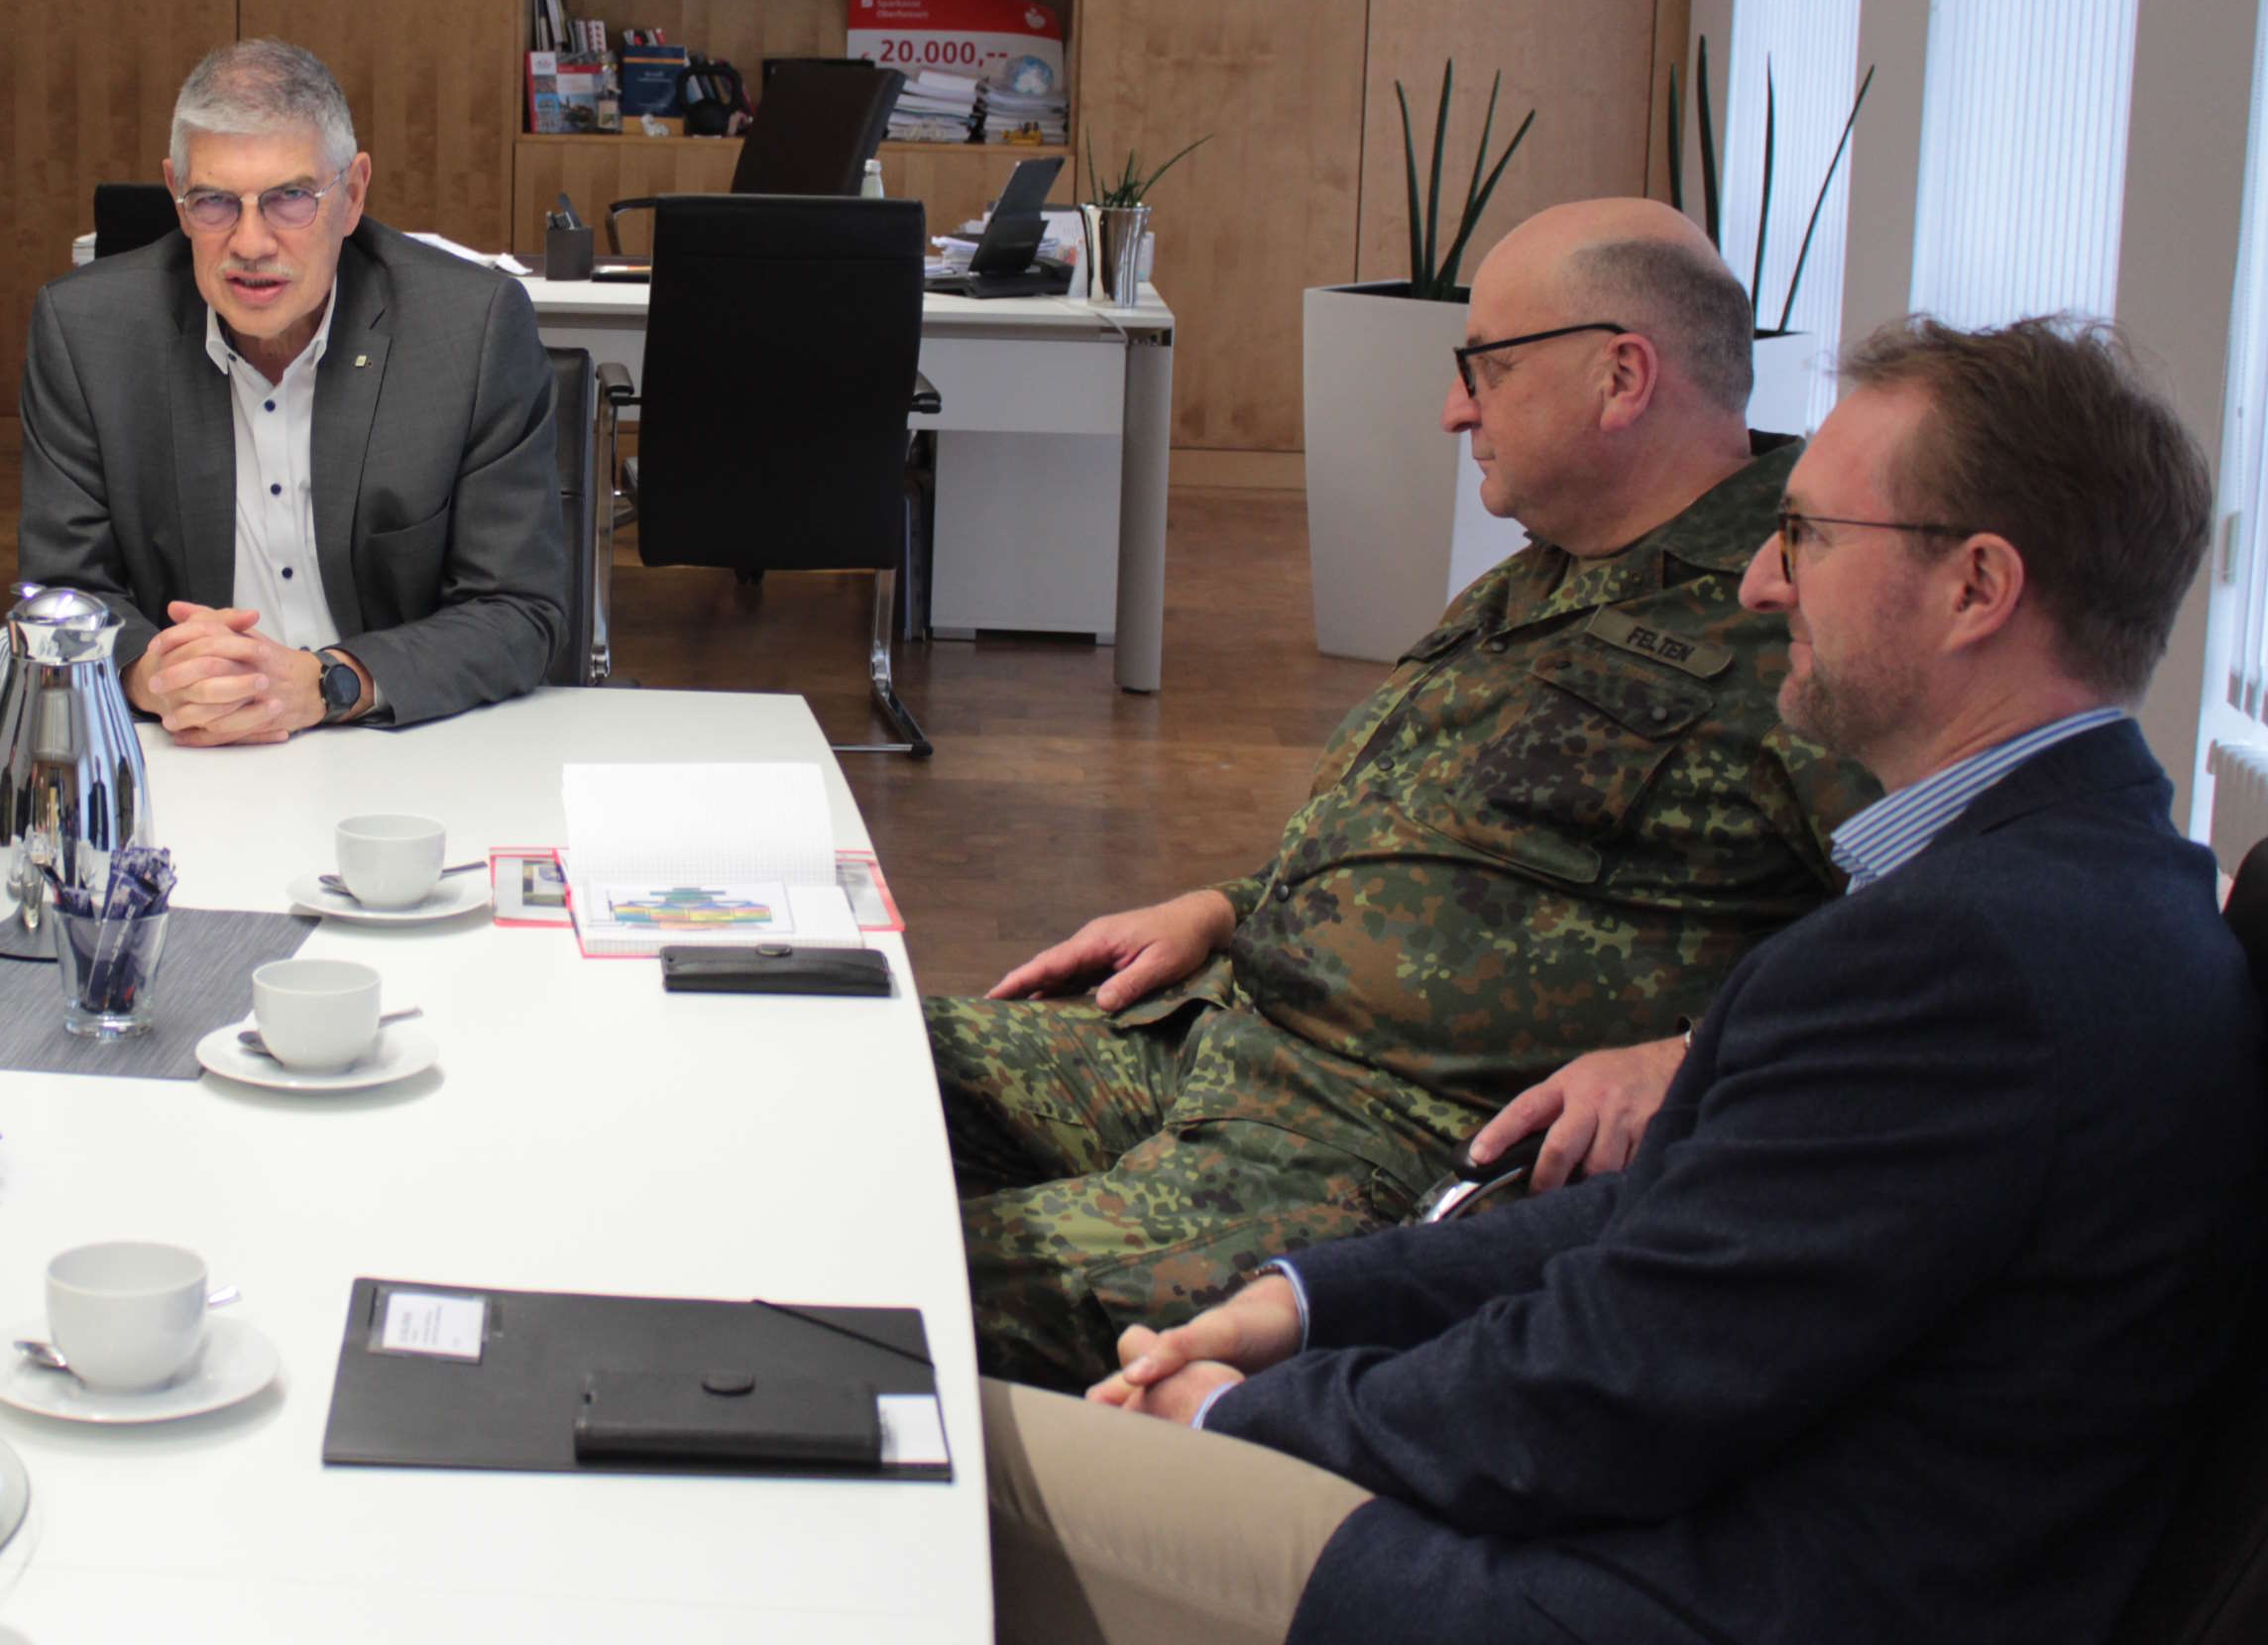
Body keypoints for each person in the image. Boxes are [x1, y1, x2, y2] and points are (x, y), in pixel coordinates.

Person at [984, 313, 2263, 1645]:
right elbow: (1662, 1224)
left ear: (1976, 587)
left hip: (1642, 1598)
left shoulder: (1963, 963)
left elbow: (1602, 1395)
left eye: (1808, 536)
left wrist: (1250, 1417)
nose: (1760, 584)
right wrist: (1306, 1304)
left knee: (933, 1442)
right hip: (1660, 1537)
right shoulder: (2098, 884)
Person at [932, 198, 1873, 1388]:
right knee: (832, 1066)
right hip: (1210, 1033)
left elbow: (1947, 940)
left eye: (1487, 368)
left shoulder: (1797, 629)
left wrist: (1694, 1056)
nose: (1454, 410)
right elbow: (1438, 829)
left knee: (883, 1286)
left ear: (1622, 377)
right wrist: (1227, 905)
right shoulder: (1541, 578)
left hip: (1361, 1144)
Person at [18, 39, 566, 741]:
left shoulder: (469, 331)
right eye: (215, 202)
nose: (250, 243)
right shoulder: (88, 333)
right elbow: (63, 591)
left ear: (353, 194)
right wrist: (146, 674)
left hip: (402, 743)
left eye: (290, 199)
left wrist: (329, 683)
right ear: (177, 198)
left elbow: (518, 611)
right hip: (182, 747)